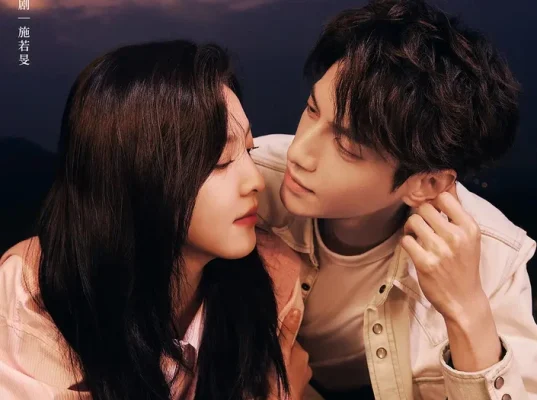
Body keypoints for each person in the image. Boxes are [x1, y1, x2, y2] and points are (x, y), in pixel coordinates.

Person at [251, 0, 537, 399]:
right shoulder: (249, 181)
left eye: (347, 147)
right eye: (312, 110)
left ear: (427, 184)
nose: (299, 152)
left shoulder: (492, 254)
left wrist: (467, 310)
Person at [0, 40, 312, 400]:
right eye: (222, 160)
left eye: (248, 150)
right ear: (139, 177)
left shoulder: (273, 280)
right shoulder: (35, 298)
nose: (255, 180)